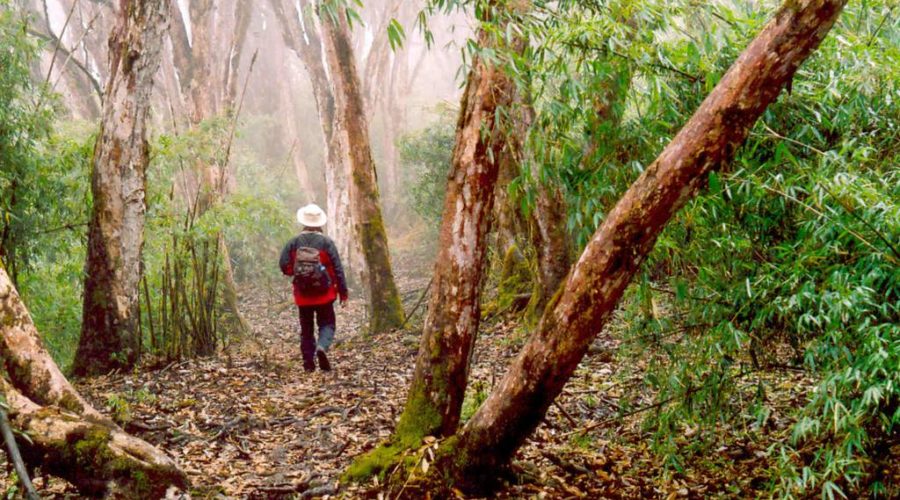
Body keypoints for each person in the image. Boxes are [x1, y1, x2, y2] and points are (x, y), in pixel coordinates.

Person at [279, 204, 348, 372]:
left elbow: (284, 265)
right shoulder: (326, 242)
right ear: (319, 223)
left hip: (302, 295)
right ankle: (322, 347)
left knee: (306, 330)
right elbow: (338, 269)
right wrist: (343, 294)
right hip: (325, 293)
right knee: (327, 324)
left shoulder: (293, 243)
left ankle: (308, 365)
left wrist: (297, 274)